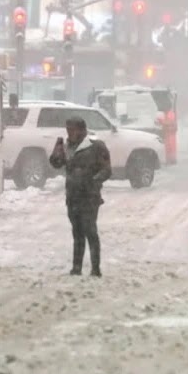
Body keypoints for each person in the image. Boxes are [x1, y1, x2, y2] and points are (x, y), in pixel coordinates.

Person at [49, 116, 112, 277]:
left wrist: (94, 181)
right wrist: (57, 150)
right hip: (73, 196)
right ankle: (76, 267)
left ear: (82, 130)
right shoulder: (67, 146)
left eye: (72, 129)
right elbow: (56, 163)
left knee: (90, 231)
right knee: (77, 232)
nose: (69, 133)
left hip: (89, 196)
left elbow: (107, 170)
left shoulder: (96, 146)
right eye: (67, 130)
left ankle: (95, 268)